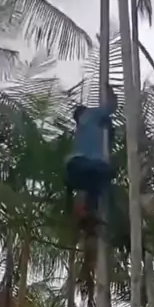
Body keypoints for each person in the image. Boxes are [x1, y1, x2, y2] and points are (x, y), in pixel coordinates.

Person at [65, 85, 117, 226]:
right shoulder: (90, 115)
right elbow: (111, 107)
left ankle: (84, 212)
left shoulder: (82, 129)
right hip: (89, 163)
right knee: (105, 176)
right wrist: (109, 90)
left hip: (75, 165)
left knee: (90, 184)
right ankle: (86, 210)